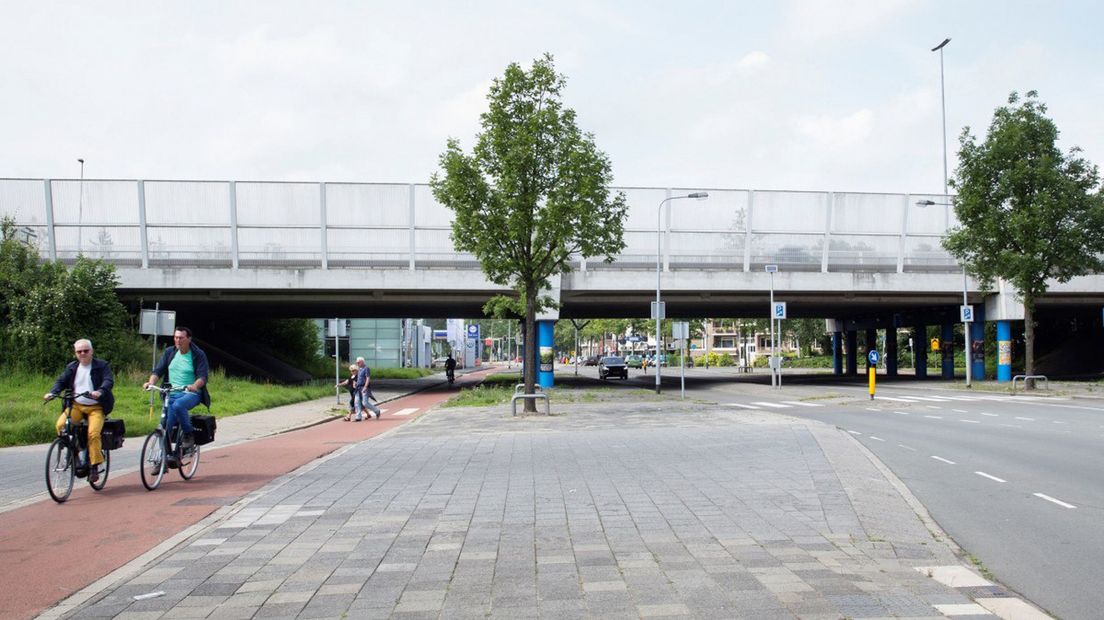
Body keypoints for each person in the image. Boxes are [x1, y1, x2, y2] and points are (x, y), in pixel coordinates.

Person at [45, 339, 115, 483]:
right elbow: (61, 381)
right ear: (75, 353)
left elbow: (108, 380)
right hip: (76, 405)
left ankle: (95, 465)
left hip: (96, 407)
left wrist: (100, 391)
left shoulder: (101, 365)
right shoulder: (72, 367)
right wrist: (52, 392)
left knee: (93, 434)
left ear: (91, 351)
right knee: (61, 426)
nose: (82, 353)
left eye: (85, 350)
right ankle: (74, 454)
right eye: (79, 351)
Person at [143, 326, 210, 450]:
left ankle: (188, 434)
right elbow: (158, 370)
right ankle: (165, 459)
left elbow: (203, 376)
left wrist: (194, 386)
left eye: (181, 338)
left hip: (190, 393)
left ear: (189, 339)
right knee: (165, 426)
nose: (178, 340)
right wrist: (150, 382)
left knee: (179, 405)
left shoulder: (197, 354)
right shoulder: (170, 352)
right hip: (171, 393)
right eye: (176, 337)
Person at [353, 356, 381, 421]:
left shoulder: (366, 368)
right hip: (358, 388)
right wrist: (355, 383)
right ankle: (358, 417)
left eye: (358, 362)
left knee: (365, 403)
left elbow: (368, 378)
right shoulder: (359, 369)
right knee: (357, 402)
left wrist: (365, 387)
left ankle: (377, 411)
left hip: (364, 387)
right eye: (357, 363)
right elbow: (358, 377)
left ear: (362, 362)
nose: (357, 364)